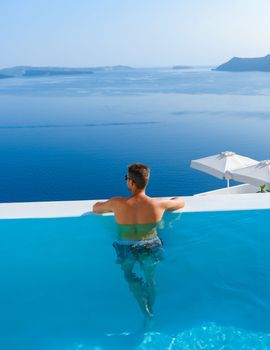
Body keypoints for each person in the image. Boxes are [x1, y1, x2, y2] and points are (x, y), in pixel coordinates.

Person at [93, 163, 185, 324]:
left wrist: (113, 208)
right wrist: (174, 200)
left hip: (126, 246)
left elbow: (95, 208)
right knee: (151, 279)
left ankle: (145, 311)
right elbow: (180, 202)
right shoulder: (159, 204)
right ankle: (152, 308)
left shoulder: (117, 203)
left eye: (126, 178)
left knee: (129, 275)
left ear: (131, 182)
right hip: (151, 244)